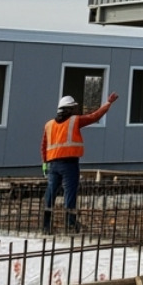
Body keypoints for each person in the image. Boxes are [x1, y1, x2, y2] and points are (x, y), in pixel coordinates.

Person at [41, 91, 118, 232]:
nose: (76, 110)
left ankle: (46, 225)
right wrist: (108, 103)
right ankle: (70, 223)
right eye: (74, 108)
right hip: (69, 164)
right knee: (70, 194)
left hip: (53, 165)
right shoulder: (74, 121)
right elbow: (94, 116)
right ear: (69, 109)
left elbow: (44, 145)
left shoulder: (49, 125)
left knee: (50, 193)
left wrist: (45, 163)